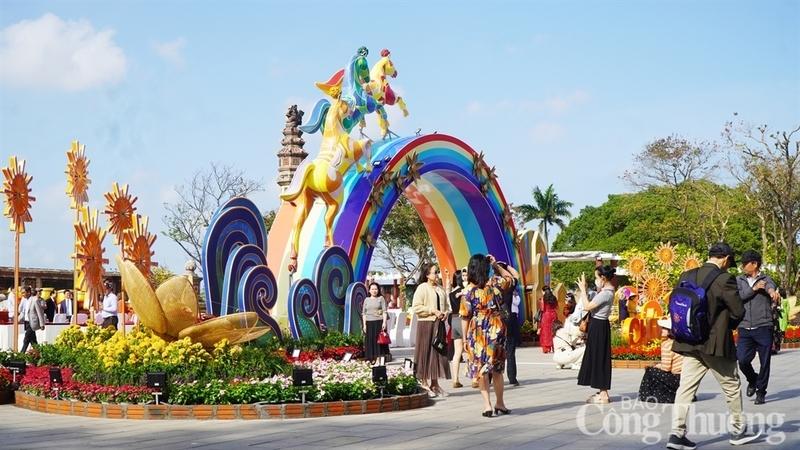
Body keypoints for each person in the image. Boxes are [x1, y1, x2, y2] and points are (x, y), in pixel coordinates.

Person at [667, 243, 760, 450]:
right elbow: (738, 312)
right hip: (716, 345)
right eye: (729, 263)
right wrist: (727, 325)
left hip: (689, 342)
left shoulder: (687, 274)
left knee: (686, 388)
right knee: (732, 386)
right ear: (725, 259)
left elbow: (673, 304)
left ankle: (676, 434)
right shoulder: (724, 279)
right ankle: (737, 431)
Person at [461, 253, 513, 417]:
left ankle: (487, 405)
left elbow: (464, 315)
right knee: (497, 369)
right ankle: (500, 403)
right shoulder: (495, 284)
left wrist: (464, 339)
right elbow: (510, 278)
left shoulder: (468, 291)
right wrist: (496, 265)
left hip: (478, 330)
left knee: (480, 367)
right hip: (497, 328)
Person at [735, 250, 780, 405]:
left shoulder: (765, 278)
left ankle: (761, 392)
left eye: (745, 263)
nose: (742, 266)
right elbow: (739, 297)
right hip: (744, 327)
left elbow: (770, 287)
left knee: (765, 361)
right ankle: (752, 379)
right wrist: (754, 289)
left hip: (763, 326)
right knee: (742, 360)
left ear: (754, 264)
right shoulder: (738, 280)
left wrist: (772, 292)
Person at [576, 265, 615, 404]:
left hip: (599, 326)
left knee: (599, 358)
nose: (596, 280)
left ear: (603, 278)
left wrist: (582, 290)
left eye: (597, 277)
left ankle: (604, 394)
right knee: (598, 357)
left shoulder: (606, 293)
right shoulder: (606, 290)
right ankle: (602, 391)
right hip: (599, 326)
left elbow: (587, 306)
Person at [411, 262, 451, 397]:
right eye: (435, 272)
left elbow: (446, 306)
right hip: (426, 324)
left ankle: (435, 384)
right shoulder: (422, 288)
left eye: (437, 271)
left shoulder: (440, 288)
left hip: (438, 325)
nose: (438, 274)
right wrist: (432, 310)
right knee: (425, 352)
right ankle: (423, 382)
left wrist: (445, 313)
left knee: (437, 354)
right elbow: (416, 307)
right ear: (427, 275)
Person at [637, 318, 683, 403]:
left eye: (664, 328)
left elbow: (666, 368)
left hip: (675, 378)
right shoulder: (678, 342)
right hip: (683, 378)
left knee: (650, 370)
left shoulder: (667, 344)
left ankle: (645, 395)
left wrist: (656, 366)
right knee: (655, 369)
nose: (661, 330)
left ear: (670, 331)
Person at [497, 262, 521, 386]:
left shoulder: (493, 284)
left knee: (494, 350)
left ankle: (490, 377)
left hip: (495, 320)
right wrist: (505, 266)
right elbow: (516, 275)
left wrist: (496, 266)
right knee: (510, 350)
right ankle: (512, 378)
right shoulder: (509, 284)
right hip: (508, 318)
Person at [448, 268, 468, 388]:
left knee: (457, 352)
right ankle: (475, 378)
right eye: (464, 276)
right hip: (463, 320)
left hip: (454, 320)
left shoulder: (452, 292)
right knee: (470, 350)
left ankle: (455, 379)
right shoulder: (464, 291)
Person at [362, 282, 389, 363]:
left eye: (376, 289)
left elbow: (384, 311)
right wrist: (364, 325)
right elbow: (364, 313)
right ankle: (370, 358)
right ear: (369, 290)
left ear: (378, 290)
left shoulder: (381, 298)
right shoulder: (366, 300)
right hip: (369, 323)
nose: (374, 291)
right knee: (370, 340)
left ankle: (379, 358)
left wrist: (384, 323)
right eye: (372, 289)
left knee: (379, 341)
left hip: (378, 322)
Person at [20, 286, 45, 353]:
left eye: (23, 293)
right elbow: (22, 311)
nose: (22, 294)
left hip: (32, 323)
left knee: (26, 339)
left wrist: (42, 324)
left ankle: (21, 354)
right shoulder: (24, 300)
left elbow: (39, 312)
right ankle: (40, 354)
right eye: (21, 293)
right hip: (26, 322)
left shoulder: (35, 300)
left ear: (28, 292)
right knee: (33, 340)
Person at [539, 287, 558, 353]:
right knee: (553, 330)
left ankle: (547, 348)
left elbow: (542, 308)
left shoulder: (543, 298)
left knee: (546, 331)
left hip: (546, 315)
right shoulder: (554, 297)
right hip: (554, 315)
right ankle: (554, 346)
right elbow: (556, 306)